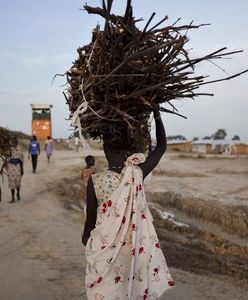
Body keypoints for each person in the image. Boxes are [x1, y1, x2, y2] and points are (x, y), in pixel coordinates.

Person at [82, 110, 174, 299]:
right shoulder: (137, 174)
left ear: (105, 150)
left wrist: (86, 239)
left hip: (104, 251)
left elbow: (90, 220)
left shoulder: (95, 181)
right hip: (131, 251)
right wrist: (156, 113)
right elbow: (162, 146)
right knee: (128, 290)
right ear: (126, 151)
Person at [5, 137, 24, 203]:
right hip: (10, 167)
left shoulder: (20, 148)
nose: (14, 142)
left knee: (18, 182)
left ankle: (18, 193)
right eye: (13, 141)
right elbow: (6, 158)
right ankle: (13, 198)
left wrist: (22, 169)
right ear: (11, 141)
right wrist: (6, 168)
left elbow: (21, 159)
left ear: (17, 141)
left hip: (18, 167)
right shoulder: (9, 149)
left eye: (15, 141)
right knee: (11, 182)